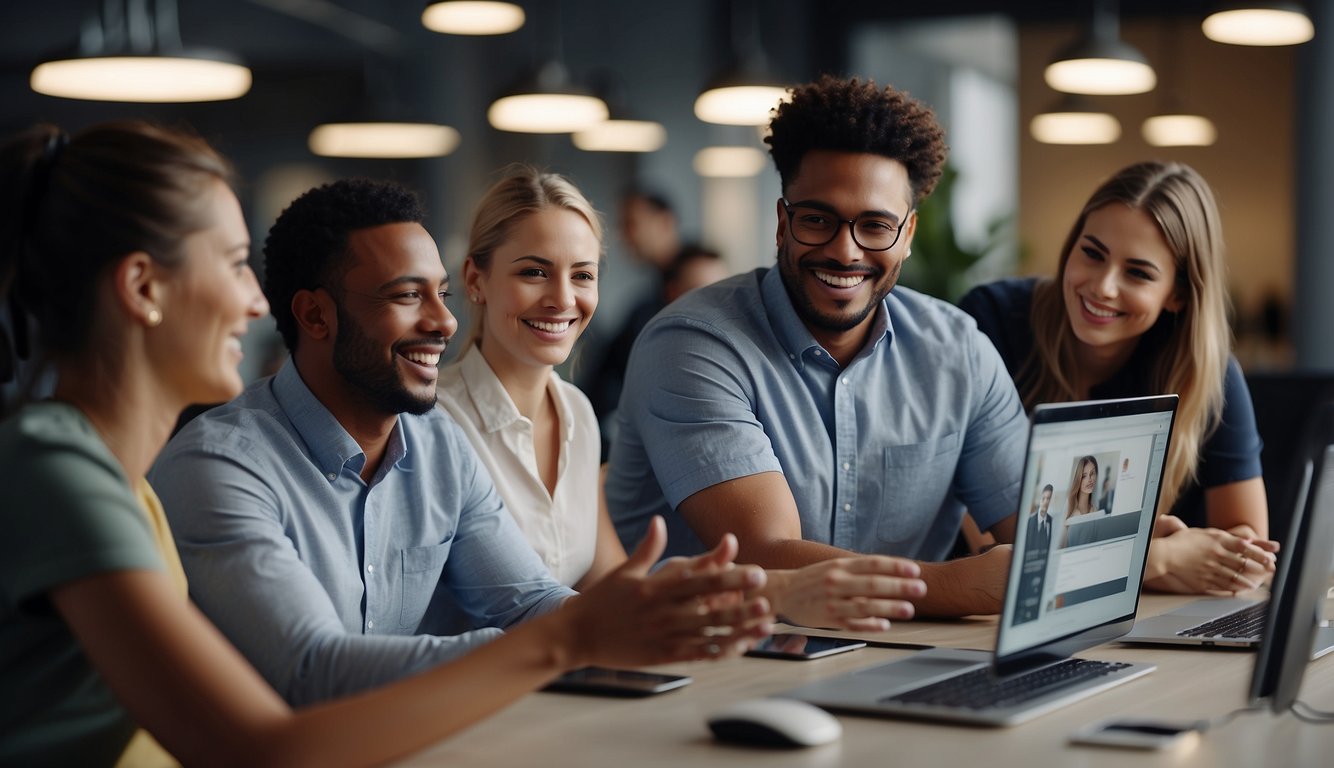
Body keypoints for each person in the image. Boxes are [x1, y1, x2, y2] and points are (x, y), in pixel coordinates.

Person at [0, 122, 772, 766]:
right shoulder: (91, 468)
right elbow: (285, 711)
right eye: (235, 266)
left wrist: (633, 619)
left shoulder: (117, 477)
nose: (250, 300)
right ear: (142, 288)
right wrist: (574, 639)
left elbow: (528, 601)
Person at [147, 176, 773, 709]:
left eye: (440, 294)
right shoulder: (220, 466)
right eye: (406, 295)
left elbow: (527, 600)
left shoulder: (435, 443)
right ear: (315, 317)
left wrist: (649, 610)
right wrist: (580, 635)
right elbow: (312, 671)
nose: (444, 322)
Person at [605, 75, 1031, 618]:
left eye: (875, 225)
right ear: (782, 223)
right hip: (712, 666)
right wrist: (958, 586)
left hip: (893, 661)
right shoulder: (693, 344)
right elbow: (766, 558)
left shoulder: (958, 351)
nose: (844, 250)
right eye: (817, 220)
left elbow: (1037, 529)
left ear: (908, 234)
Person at [440, 167, 924, 630]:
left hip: (568, 687)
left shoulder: (575, 414)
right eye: (534, 272)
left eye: (583, 275)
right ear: (475, 279)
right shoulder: (436, 423)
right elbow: (523, 607)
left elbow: (610, 586)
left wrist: (722, 587)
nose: (563, 299)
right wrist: (769, 591)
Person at [959, 161, 1276, 594]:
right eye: (1092, 253)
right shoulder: (990, 322)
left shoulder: (1208, 375)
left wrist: (1119, 566)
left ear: (1178, 294)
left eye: (1138, 273)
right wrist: (1165, 557)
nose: (1103, 287)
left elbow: (1249, 556)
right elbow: (989, 542)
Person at [1059, 455, 1101, 548]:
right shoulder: (1069, 508)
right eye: (1084, 476)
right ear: (1078, 478)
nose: (1090, 479)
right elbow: (1061, 547)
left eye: (1092, 473)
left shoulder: (1095, 510)